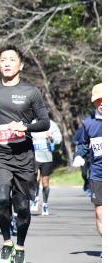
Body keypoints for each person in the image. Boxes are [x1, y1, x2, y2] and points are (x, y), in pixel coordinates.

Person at [0, 45, 50, 263]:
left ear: (21, 65)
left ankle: (21, 246)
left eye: (11, 59)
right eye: (3, 60)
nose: (6, 63)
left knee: (23, 207)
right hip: (0, 155)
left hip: (24, 156)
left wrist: (26, 128)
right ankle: (7, 242)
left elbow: (44, 122)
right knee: (2, 198)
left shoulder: (31, 92)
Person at [72, 83, 102, 247]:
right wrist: (79, 155)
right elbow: (83, 143)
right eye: (99, 100)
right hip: (98, 174)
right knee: (100, 213)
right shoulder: (89, 123)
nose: (102, 103)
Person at [30, 119, 62, 215]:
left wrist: (51, 137)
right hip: (34, 156)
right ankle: (35, 199)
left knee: (45, 182)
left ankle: (45, 204)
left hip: (47, 157)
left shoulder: (51, 124)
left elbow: (58, 139)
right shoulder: (32, 123)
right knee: (34, 178)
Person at [72, 125, 92, 196]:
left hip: (91, 155)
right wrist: (81, 143)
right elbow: (74, 140)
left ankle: (90, 189)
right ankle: (86, 182)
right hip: (83, 155)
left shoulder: (93, 129)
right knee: (84, 173)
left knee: (91, 173)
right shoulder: (80, 130)